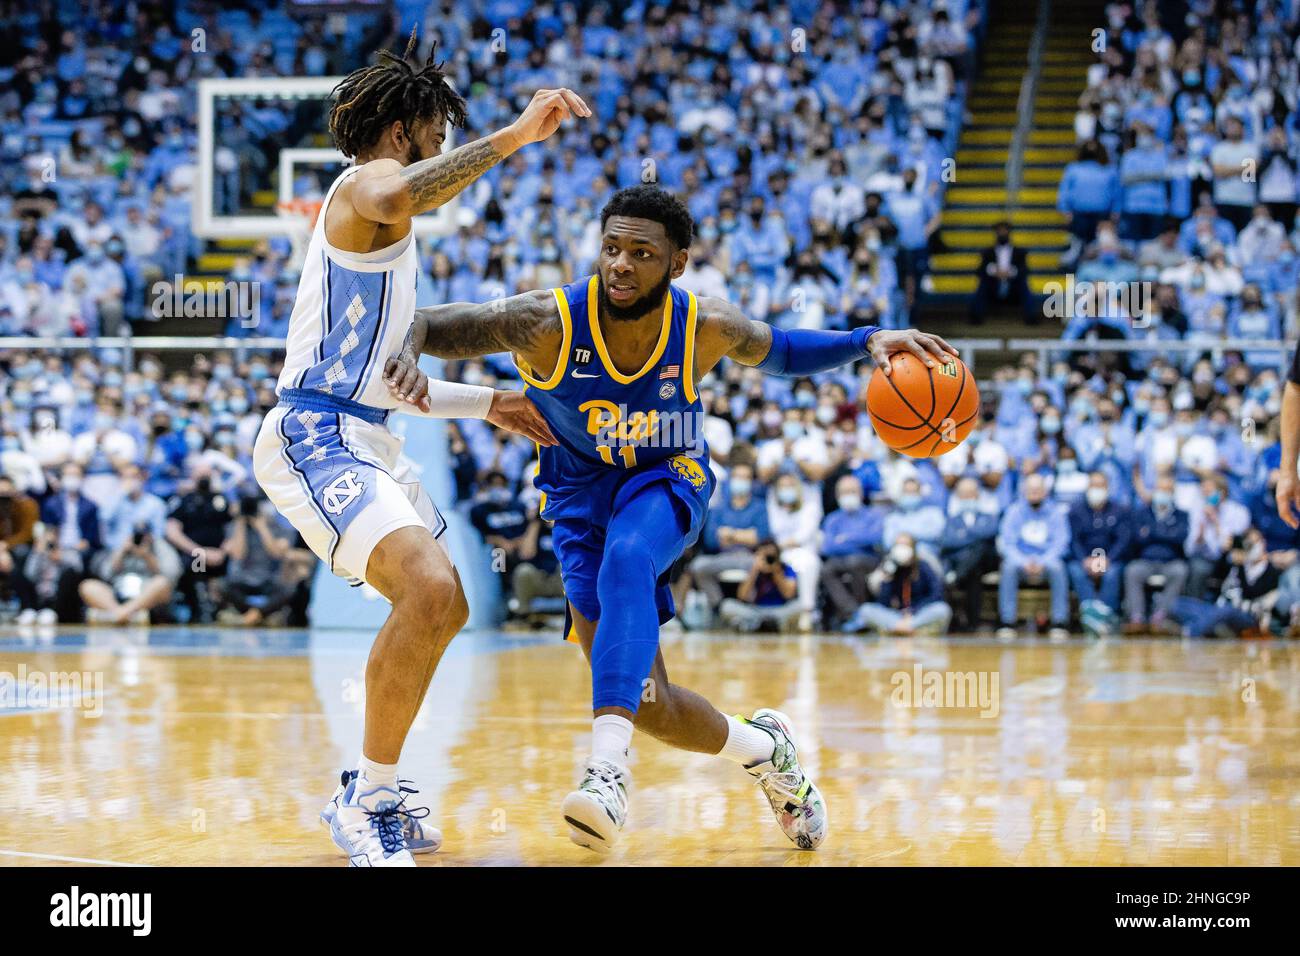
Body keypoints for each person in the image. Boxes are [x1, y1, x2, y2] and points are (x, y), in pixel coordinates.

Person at [391, 183, 957, 853]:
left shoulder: (705, 325)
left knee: (629, 558)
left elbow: (782, 352)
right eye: (610, 249)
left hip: (668, 474)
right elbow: (433, 323)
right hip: (577, 494)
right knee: (651, 704)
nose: (620, 265)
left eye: (640, 253)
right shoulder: (544, 320)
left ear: (677, 263)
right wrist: (407, 349)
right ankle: (764, 748)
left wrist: (868, 340)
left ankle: (606, 771)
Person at [250, 31, 583, 866]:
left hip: (365, 433)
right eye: (437, 127)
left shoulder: (386, 248)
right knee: (430, 591)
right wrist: (511, 136)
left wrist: (491, 403)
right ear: (404, 129)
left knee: (450, 607)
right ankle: (366, 797)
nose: (443, 140)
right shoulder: (364, 189)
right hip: (314, 434)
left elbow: (399, 383)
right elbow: (403, 194)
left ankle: (379, 788)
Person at [996, 473, 1071, 640]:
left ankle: (1059, 622)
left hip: (1047, 562)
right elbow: (1006, 544)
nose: (1034, 493)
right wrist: (1023, 562)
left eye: (1038, 490)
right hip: (1021, 562)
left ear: (1045, 492)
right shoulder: (1014, 512)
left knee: (1058, 567)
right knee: (1008, 567)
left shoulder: (1055, 512)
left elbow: (1062, 542)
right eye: (1031, 490)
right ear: (1024, 491)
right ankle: (1007, 621)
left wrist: (1043, 562)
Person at [689, 462, 768, 616]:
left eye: (746, 478)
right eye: (738, 477)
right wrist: (746, 535)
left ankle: (751, 610)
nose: (741, 481)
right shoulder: (719, 508)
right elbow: (711, 539)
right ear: (730, 480)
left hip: (749, 557)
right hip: (722, 556)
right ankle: (720, 607)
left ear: (752, 482)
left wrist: (730, 534)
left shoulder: (760, 507)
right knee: (698, 566)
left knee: (759, 563)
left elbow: (762, 537)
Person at [843, 533, 952, 636]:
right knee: (866, 609)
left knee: (942, 609)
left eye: (905, 545)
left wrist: (913, 611)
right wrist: (887, 579)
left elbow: (937, 594)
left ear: (913, 548)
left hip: (918, 613)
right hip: (897, 616)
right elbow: (883, 603)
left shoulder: (923, 566)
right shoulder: (891, 568)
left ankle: (902, 629)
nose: (901, 548)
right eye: (898, 545)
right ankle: (908, 629)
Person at [1122, 474, 1190, 634]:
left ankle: (1161, 616)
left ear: (1173, 494)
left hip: (1170, 561)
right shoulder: (1141, 513)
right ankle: (1136, 617)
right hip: (1146, 560)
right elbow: (1137, 538)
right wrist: (1166, 533)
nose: (1163, 494)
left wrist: (1152, 532)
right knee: (1132, 571)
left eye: (1167, 490)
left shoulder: (1181, 515)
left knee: (1180, 571)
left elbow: (1179, 537)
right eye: (1160, 489)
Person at [78, 524, 181, 625]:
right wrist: (121, 552)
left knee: (161, 583)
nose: (140, 538)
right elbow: (105, 574)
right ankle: (122, 614)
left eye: (143, 535)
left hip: (147, 597)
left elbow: (171, 576)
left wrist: (147, 556)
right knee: (87, 586)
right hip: (118, 594)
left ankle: (118, 616)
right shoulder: (124, 545)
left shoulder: (161, 547)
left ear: (150, 535)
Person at [1066, 472, 1130, 619]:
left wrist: (1107, 559)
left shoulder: (1119, 510)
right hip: (1083, 559)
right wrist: (1084, 559)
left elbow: (1123, 541)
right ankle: (1090, 614)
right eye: (1093, 485)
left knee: (1112, 574)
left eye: (1100, 486)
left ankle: (1108, 615)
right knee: (1076, 571)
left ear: (1107, 488)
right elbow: (1073, 540)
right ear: (1087, 488)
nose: (1096, 490)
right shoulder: (1076, 511)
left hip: (1110, 559)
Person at [717, 540, 801, 633]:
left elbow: (788, 594)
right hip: (756, 610)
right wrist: (754, 570)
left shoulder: (786, 568)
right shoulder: (753, 569)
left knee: (800, 605)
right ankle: (765, 624)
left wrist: (776, 572)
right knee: (727, 605)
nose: (768, 559)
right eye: (764, 556)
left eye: (771, 556)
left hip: (779, 610)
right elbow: (742, 596)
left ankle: (754, 625)